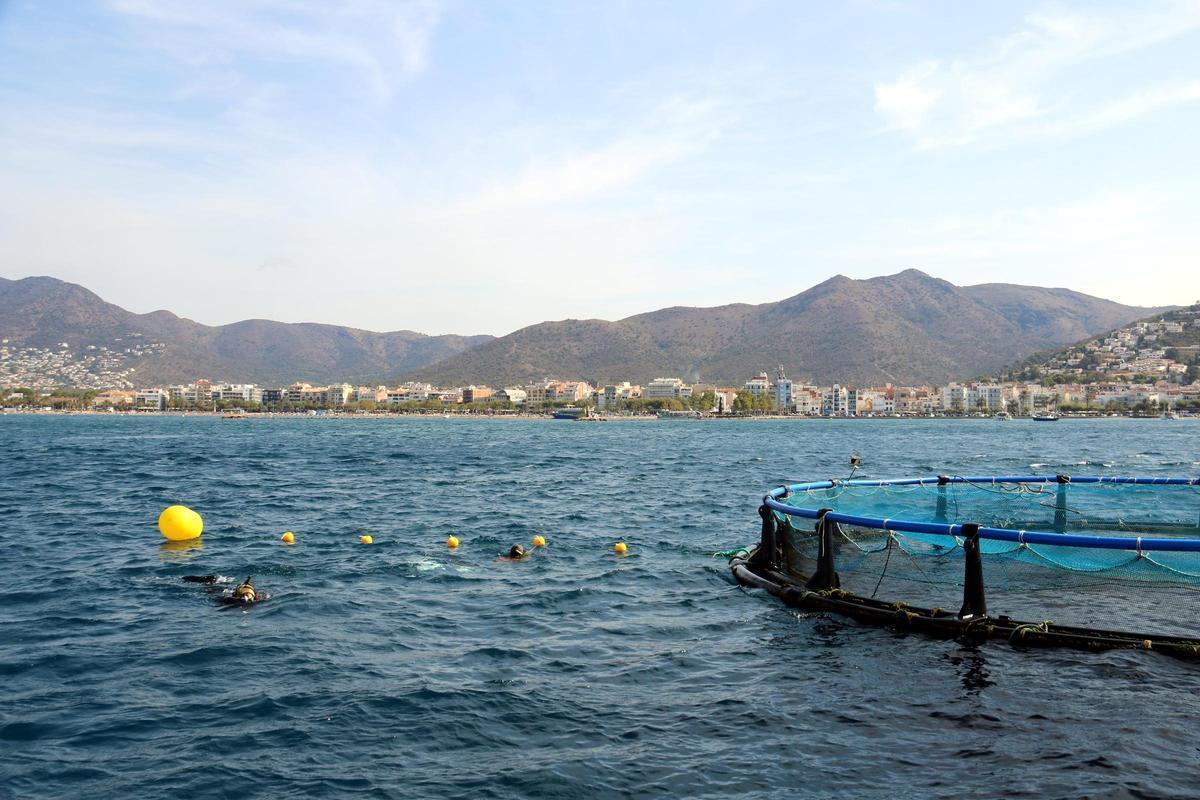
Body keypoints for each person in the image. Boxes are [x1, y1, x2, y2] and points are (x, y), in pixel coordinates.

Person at [183, 575, 268, 606]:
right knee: (210, 586)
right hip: (221, 593)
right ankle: (211, 580)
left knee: (210, 587)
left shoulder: (233, 599)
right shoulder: (230, 598)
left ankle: (212, 580)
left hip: (221, 594)